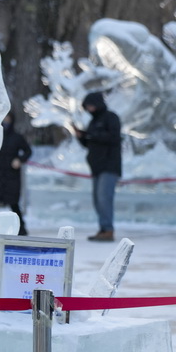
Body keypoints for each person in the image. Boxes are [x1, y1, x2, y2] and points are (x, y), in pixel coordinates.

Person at [76, 91, 123, 242]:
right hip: (96, 167)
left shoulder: (111, 117)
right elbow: (89, 144)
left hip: (109, 165)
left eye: (90, 105)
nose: (89, 109)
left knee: (104, 198)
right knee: (97, 200)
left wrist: (91, 135)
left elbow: (114, 138)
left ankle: (108, 229)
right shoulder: (93, 122)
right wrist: (81, 137)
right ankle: (103, 228)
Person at [0, 111, 33, 235]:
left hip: (11, 175)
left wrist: (19, 160)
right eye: (3, 118)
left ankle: (20, 228)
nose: (5, 121)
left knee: (13, 203)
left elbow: (28, 151)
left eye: (7, 118)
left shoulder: (17, 137)